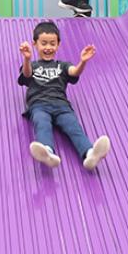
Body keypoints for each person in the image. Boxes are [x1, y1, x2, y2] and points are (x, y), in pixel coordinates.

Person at [18, 21, 110, 169]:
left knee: (74, 127)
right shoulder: (33, 65)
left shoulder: (62, 65)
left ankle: (89, 154)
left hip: (62, 106)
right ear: (35, 44)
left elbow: (74, 72)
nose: (48, 47)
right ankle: (47, 151)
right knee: (42, 123)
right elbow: (26, 75)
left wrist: (83, 62)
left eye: (52, 43)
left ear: (58, 45)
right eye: (44, 43)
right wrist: (27, 58)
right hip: (39, 105)